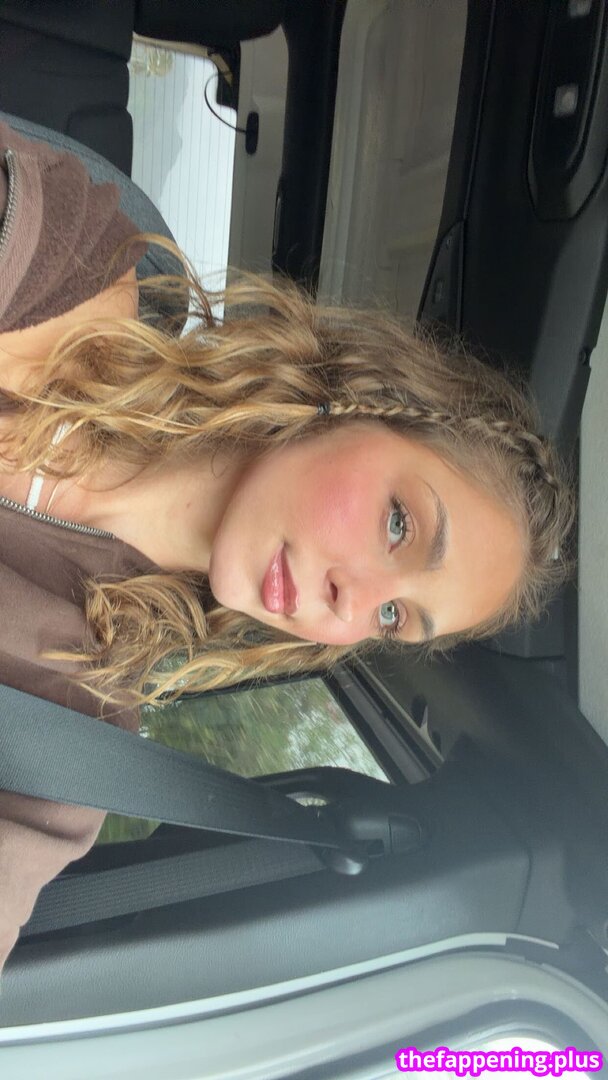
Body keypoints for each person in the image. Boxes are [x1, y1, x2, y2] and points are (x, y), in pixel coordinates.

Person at [0, 116, 574, 979]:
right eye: (399, 525)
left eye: (393, 617)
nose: (352, 604)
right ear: (362, 397)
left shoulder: (70, 738)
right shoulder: (75, 260)